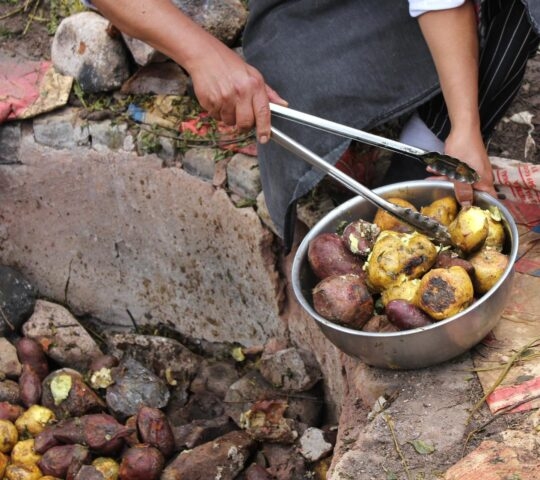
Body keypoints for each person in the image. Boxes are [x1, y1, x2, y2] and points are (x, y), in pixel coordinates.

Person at [88, 0, 540, 251]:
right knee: (294, 86)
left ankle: (420, 160)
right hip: (308, 12)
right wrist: (202, 55)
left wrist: (463, 125)